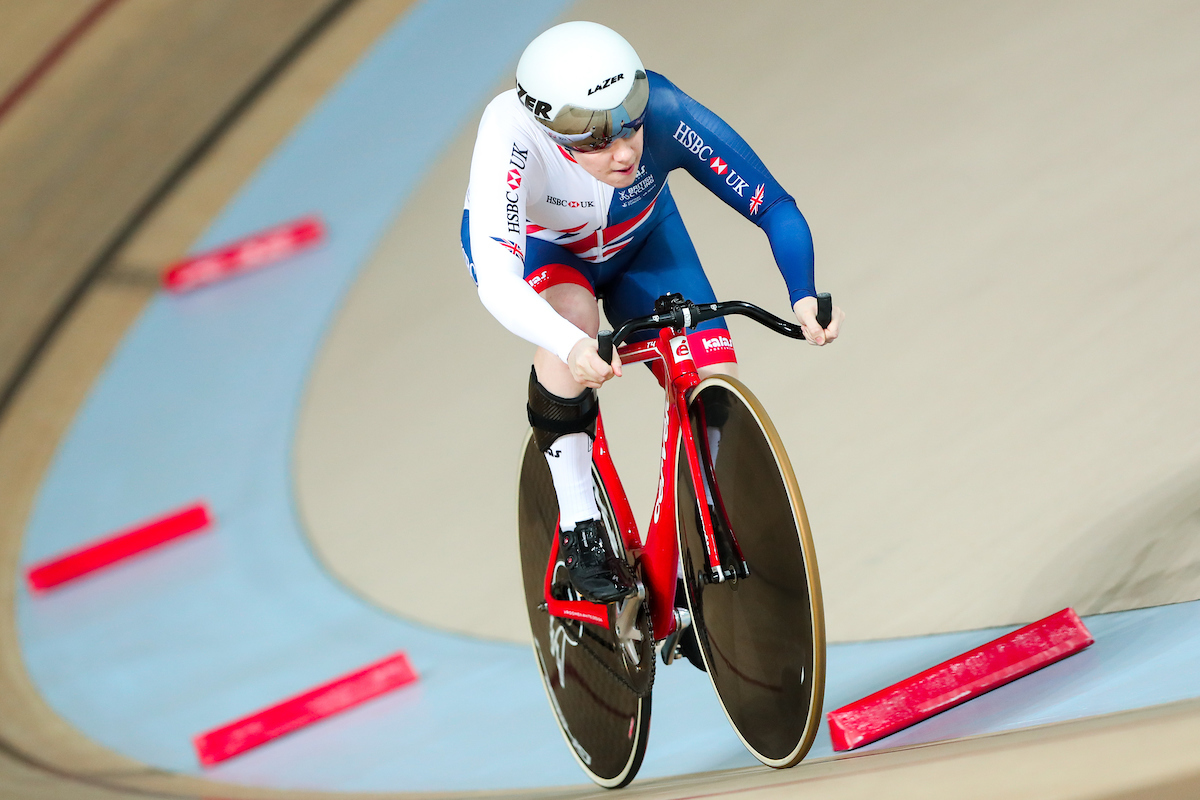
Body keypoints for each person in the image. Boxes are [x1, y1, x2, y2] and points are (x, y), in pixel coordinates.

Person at [461, 21, 843, 606]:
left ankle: (710, 544)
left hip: (641, 241)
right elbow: (497, 282)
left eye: (630, 125)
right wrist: (569, 346)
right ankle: (579, 528)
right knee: (573, 319)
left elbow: (774, 205)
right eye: (594, 141)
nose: (622, 151)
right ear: (548, 126)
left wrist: (803, 291)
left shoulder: (665, 108)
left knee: (716, 381)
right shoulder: (510, 137)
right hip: (549, 255)